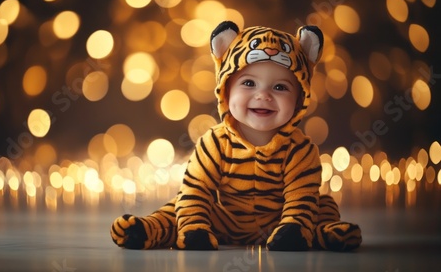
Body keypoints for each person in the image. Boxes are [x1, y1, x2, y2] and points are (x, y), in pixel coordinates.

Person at [111, 21, 362, 251]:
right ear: (226, 89)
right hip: (222, 220)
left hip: (279, 222)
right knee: (180, 205)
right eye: (249, 83)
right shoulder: (214, 143)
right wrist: (194, 227)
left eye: (280, 87)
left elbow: (301, 196)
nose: (263, 95)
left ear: (300, 97)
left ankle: (316, 233)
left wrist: (294, 225)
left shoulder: (301, 150)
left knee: (321, 205)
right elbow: (197, 190)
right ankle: (150, 230)